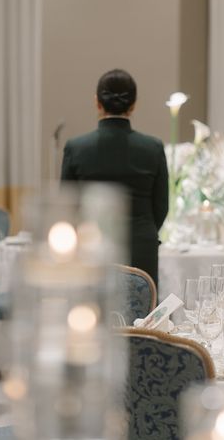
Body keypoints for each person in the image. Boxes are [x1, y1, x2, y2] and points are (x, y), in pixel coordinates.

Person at [61, 69, 168, 287]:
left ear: (97, 102)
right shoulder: (153, 148)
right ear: (134, 104)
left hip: (92, 245)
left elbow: (68, 204)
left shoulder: (76, 147)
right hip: (141, 246)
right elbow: (161, 206)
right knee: (142, 307)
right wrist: (140, 231)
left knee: (92, 306)